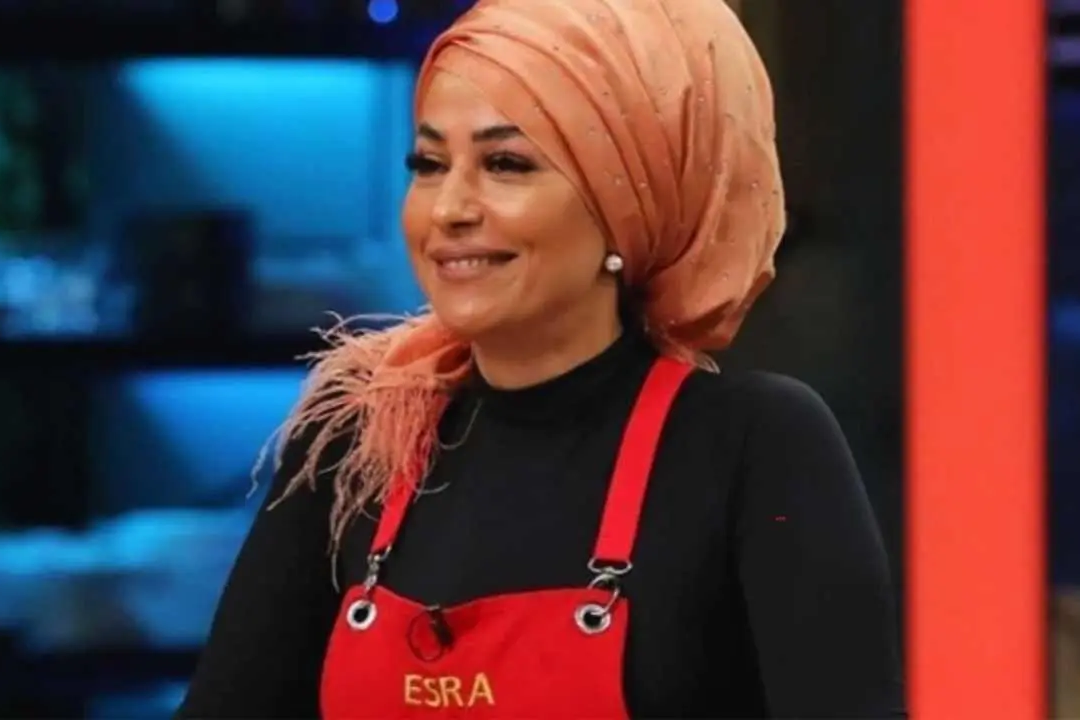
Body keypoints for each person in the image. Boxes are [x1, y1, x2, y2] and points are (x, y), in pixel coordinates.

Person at [177, 0, 905, 717]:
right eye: (429, 164)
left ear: (625, 206)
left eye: (505, 164)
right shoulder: (357, 444)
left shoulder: (749, 444)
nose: (449, 208)